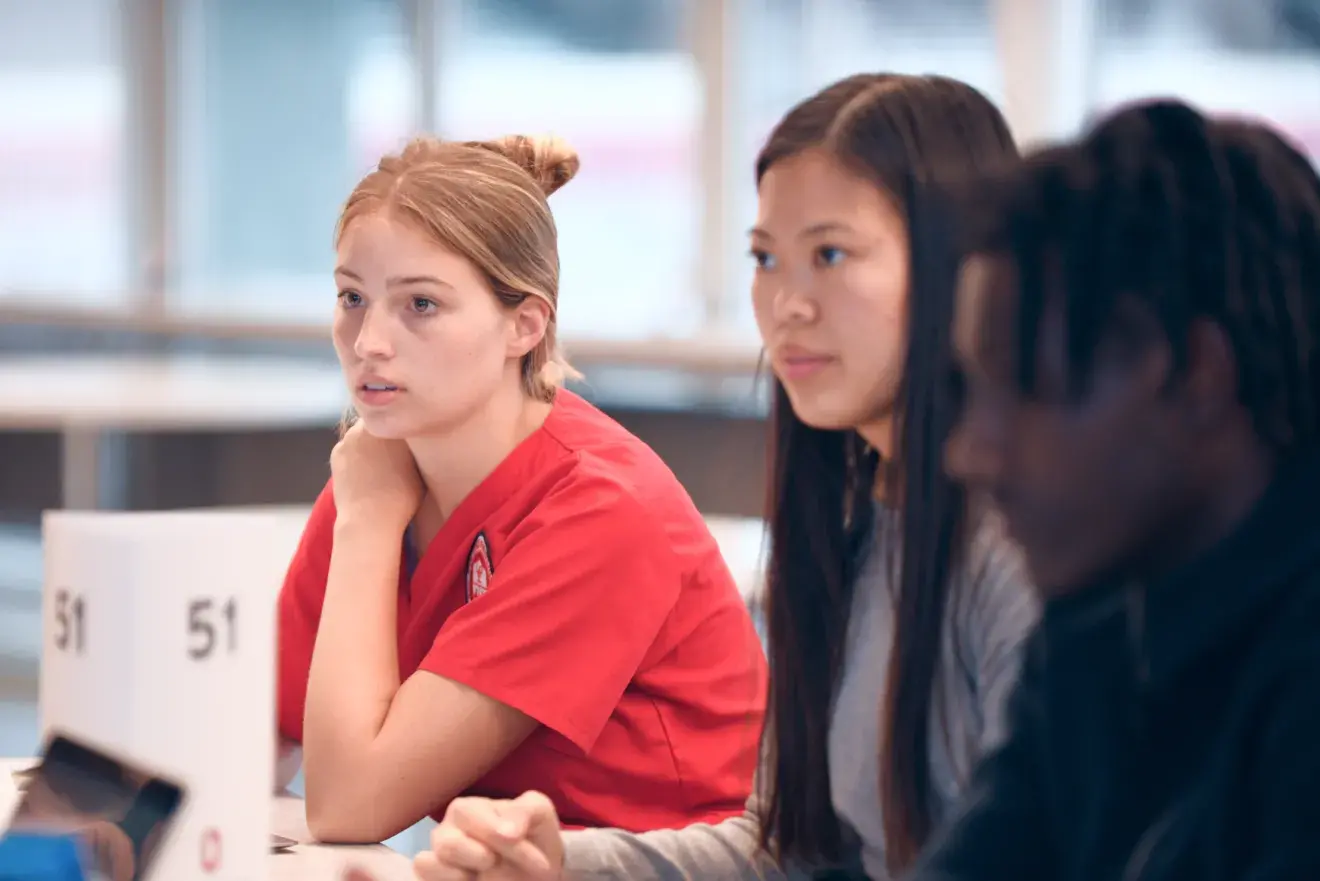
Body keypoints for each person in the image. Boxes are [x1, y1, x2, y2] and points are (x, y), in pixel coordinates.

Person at [403, 73, 1037, 881]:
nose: (786, 304)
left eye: (830, 254)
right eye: (766, 257)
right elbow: (793, 849)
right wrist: (558, 862)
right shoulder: (855, 524)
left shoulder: (1026, 553)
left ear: (960, 259)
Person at [276, 134, 768, 844]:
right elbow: (267, 727)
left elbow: (350, 801)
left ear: (524, 324)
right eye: (352, 296)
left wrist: (368, 523)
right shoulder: (380, 470)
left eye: (420, 304)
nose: (368, 342)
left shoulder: (601, 507)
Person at [908, 98, 1320, 879]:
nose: (967, 452)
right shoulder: (1098, 628)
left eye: (1020, 387)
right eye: (970, 389)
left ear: (1198, 375)